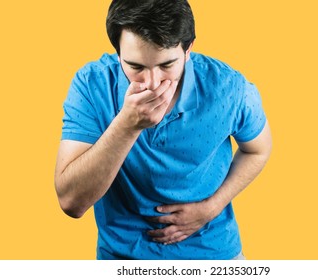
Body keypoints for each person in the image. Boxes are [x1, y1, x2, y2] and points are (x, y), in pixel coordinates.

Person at [54, 0, 272, 260]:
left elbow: (258, 149)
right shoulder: (91, 85)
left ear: (188, 48)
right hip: (122, 258)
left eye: (167, 65)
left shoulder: (230, 87)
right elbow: (71, 203)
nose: (152, 82)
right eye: (135, 67)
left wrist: (211, 208)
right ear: (117, 52)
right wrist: (127, 124)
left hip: (214, 253)